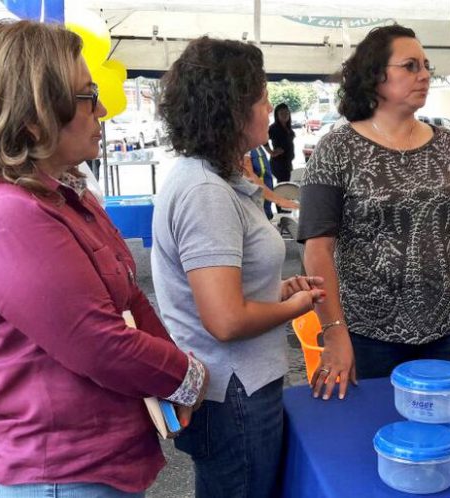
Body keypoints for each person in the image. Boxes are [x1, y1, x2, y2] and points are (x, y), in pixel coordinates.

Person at [0, 20, 207, 497]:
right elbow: (97, 343)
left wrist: (173, 376)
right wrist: (186, 376)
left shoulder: (63, 195)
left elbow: (129, 300)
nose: (102, 109)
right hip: (57, 473)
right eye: (87, 95)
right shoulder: (4, 211)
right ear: (34, 114)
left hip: (91, 464)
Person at [298, 25, 450, 400]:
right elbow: (317, 251)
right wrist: (334, 331)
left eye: (426, 66)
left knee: (449, 420)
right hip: (368, 332)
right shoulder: (337, 148)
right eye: (410, 66)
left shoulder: (445, 144)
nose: (424, 75)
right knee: (373, 425)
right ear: (375, 75)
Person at [152, 36, 325, 498]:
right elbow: (226, 320)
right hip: (232, 393)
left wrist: (278, 290)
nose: (269, 108)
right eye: (262, 97)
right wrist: (297, 307)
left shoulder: (212, 179)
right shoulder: (206, 191)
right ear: (231, 108)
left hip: (236, 386)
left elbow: (225, 288)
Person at [268, 103, 295, 182]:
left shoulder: (287, 127)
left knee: (287, 183)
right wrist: (271, 152)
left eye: (287, 113)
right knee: (284, 185)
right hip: (279, 163)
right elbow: (263, 140)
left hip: (287, 162)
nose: (285, 115)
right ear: (277, 115)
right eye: (282, 113)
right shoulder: (274, 128)